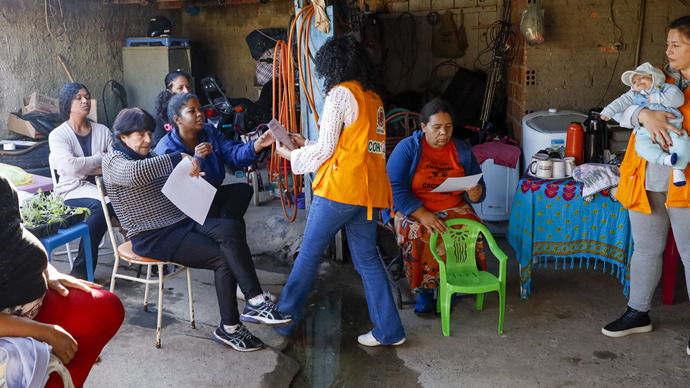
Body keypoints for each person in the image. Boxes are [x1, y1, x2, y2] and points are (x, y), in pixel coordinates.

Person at [102, 108, 291, 352]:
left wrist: (187, 176)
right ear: (122, 137)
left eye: (149, 133)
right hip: (152, 236)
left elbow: (163, 183)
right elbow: (134, 174)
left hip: (178, 220)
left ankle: (254, 302)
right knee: (225, 259)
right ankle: (231, 327)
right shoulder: (113, 161)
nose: (148, 140)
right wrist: (180, 158)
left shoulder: (142, 155)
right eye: (140, 134)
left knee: (231, 228)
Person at [273, 35, 406, 347]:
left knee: (308, 254)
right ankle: (390, 330)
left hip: (339, 191)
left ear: (331, 67)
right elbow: (349, 146)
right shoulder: (373, 99)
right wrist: (306, 142)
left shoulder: (339, 94)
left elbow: (326, 153)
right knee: (368, 261)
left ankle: (284, 319)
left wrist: (292, 155)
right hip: (368, 194)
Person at [602, 15, 690, 357]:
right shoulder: (657, 78)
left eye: (676, 45)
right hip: (647, 177)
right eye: (667, 43)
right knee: (645, 248)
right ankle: (638, 311)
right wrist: (643, 115)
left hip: (684, 183)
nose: (667, 50)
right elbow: (623, 109)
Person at [0, 172, 124, 388]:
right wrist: (43, 332)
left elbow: (17, 234)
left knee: (104, 309)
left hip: (27, 307)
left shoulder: (2, 185)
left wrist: (47, 269)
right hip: (7, 327)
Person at [386, 99, 487, 315]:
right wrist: (422, 214)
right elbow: (393, 187)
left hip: (453, 203)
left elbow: (479, 186)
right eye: (437, 127)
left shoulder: (462, 149)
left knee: (471, 229)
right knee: (422, 232)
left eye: (448, 127)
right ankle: (425, 291)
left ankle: (451, 286)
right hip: (413, 207)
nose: (444, 133)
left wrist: (477, 193)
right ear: (423, 128)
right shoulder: (408, 149)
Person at [154, 93, 272, 222]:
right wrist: (197, 159)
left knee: (243, 190)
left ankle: (224, 225)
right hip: (185, 207)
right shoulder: (166, 148)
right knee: (233, 225)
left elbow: (232, 152)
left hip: (209, 194)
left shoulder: (209, 131)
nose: (200, 114)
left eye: (200, 109)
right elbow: (180, 189)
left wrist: (257, 144)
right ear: (177, 119)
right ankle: (223, 226)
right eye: (192, 111)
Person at [48, 82, 113, 280]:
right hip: (71, 190)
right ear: (68, 103)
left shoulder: (102, 130)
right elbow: (71, 168)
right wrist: (98, 158)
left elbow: (113, 161)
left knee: (130, 199)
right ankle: (82, 272)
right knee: (103, 207)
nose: (85, 101)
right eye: (78, 98)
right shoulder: (58, 135)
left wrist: (82, 162)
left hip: (104, 186)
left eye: (86, 96)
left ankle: (140, 252)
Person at [600, 62, 690, 186]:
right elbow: (619, 105)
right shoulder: (633, 95)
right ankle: (665, 159)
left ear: (655, 77)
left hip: (674, 128)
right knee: (642, 147)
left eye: (642, 77)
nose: (638, 82)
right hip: (645, 132)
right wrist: (609, 111)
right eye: (635, 81)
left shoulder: (664, 88)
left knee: (683, 143)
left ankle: (678, 170)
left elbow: (678, 99)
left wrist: (657, 98)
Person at [152, 71, 192, 146]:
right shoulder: (159, 111)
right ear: (169, 90)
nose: (186, 91)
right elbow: (158, 141)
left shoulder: (196, 108)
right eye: (180, 88)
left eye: (188, 87)